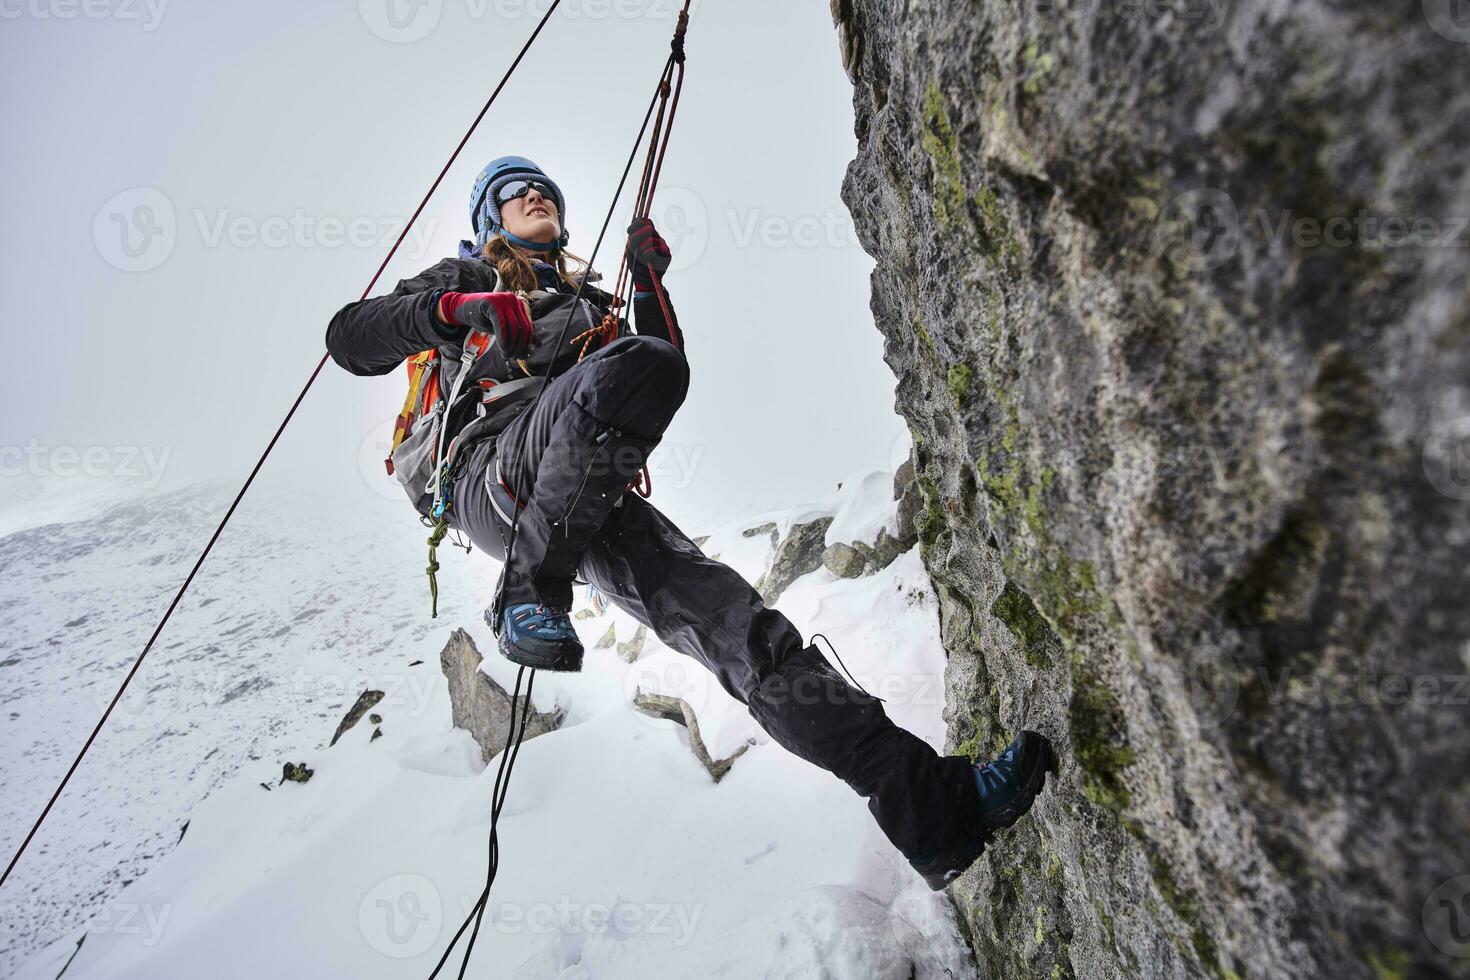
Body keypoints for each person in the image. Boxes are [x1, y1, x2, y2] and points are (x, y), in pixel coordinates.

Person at [324, 155, 1056, 890]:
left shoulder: (585, 305)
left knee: (749, 638)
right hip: (492, 472)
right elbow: (350, 338)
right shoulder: (464, 280)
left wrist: (647, 281)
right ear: (491, 220)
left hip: (582, 495)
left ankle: (931, 811)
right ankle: (526, 590)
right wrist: (459, 309)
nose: (535, 192)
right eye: (514, 192)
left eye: (544, 186)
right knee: (640, 366)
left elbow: (653, 367)